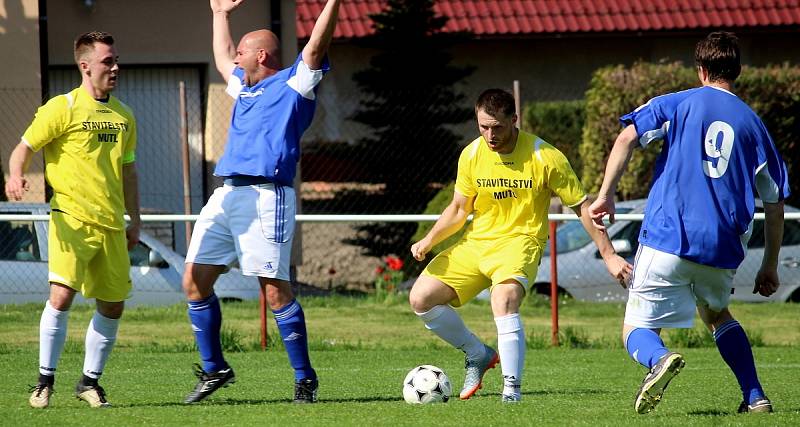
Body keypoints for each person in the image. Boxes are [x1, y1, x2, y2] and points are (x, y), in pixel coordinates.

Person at [588, 31, 790, 415]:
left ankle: (658, 359)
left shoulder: (677, 104)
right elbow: (775, 201)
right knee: (716, 315)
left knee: (635, 329)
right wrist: (770, 264)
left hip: (670, 236)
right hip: (722, 245)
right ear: (739, 71)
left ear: (701, 70)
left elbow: (627, 136)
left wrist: (606, 193)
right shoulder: (755, 125)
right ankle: (755, 396)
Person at [409, 88, 632, 402]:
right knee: (421, 298)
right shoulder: (472, 154)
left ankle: (511, 393)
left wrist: (609, 256)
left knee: (503, 298)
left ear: (514, 119)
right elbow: (460, 209)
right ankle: (478, 354)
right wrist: (429, 239)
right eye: (483, 127)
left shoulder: (545, 156)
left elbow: (582, 207)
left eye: (497, 127)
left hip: (520, 243)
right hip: (477, 244)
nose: (490, 135)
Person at [181, 0, 341, 404]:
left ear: (261, 55)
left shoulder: (293, 84)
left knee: (274, 291)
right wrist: (220, 14)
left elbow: (317, 46)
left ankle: (305, 378)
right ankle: (216, 368)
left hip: (267, 195)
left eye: (243, 51)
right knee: (194, 282)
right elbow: (220, 57)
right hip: (227, 193)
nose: (235, 56)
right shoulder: (244, 87)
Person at [6, 31, 141, 409]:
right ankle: (43, 382)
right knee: (62, 295)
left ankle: (88, 382)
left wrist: (137, 219)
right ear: (85, 66)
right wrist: (15, 175)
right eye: (107, 61)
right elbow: (24, 147)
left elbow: (129, 172)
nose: (115, 67)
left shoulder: (124, 116)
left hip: (112, 223)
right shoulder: (61, 108)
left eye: (115, 61)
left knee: (113, 305)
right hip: (71, 218)